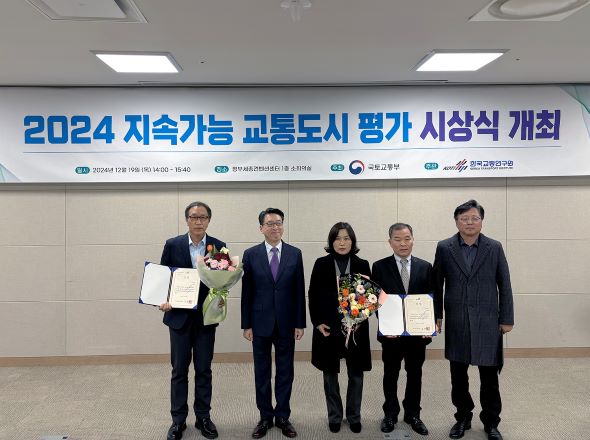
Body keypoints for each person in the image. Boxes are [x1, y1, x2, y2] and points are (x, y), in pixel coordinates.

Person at [433, 200, 514, 440]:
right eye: (464, 218)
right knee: (458, 377)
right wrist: (437, 315)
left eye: (474, 218)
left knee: (489, 378)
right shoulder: (444, 247)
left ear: (481, 221)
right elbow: (437, 285)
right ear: (456, 221)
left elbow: (505, 284)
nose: (469, 222)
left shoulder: (494, 247)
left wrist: (506, 318)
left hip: (488, 322)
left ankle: (491, 422)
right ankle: (462, 418)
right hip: (457, 321)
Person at [159, 201, 226, 440]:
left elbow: (223, 279)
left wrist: (221, 295)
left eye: (203, 217)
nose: (198, 221)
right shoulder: (173, 244)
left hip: (206, 318)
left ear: (209, 220)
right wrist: (163, 299)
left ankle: (203, 417)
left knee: (204, 369)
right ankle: (178, 421)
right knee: (179, 371)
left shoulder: (218, 246)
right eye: (194, 217)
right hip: (178, 317)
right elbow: (164, 278)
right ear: (186, 219)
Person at [241, 208, 306, 439]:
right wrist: (246, 324)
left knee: (285, 371)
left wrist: (300, 322)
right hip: (260, 321)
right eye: (270, 224)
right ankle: (265, 417)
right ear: (261, 228)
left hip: (287, 322)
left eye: (279, 223)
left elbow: (299, 290)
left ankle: (283, 417)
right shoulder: (250, 254)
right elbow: (247, 292)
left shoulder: (295, 253)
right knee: (262, 372)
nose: (275, 227)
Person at [308, 222, 371, 434]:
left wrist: (358, 320)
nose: (342, 243)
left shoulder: (362, 264)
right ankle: (334, 416)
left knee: (356, 375)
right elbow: (313, 295)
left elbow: (369, 298)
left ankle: (354, 416)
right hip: (328, 328)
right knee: (330, 375)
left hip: (356, 329)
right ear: (331, 241)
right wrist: (317, 322)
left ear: (352, 241)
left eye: (346, 238)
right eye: (337, 239)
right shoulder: (321, 264)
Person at [372, 223, 433, 436]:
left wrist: (431, 324)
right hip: (391, 335)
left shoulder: (425, 267)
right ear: (390, 242)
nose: (403, 243)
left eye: (407, 239)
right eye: (397, 239)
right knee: (391, 374)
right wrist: (385, 324)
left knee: (415, 374)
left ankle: (413, 414)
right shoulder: (379, 267)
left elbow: (432, 298)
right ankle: (390, 414)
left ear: (413, 240)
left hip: (417, 334)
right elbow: (375, 301)